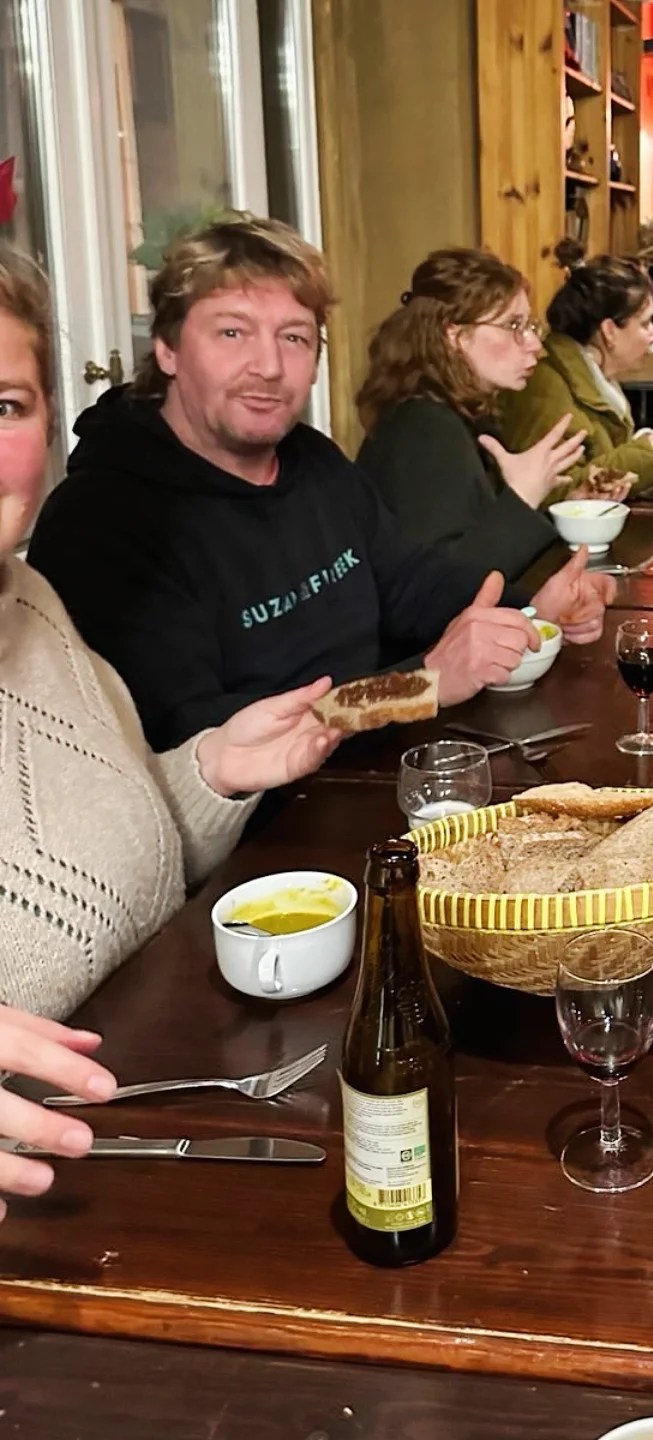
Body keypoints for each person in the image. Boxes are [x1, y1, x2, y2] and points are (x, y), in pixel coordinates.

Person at [0, 249, 344, 1213]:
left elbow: (122, 857)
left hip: (160, 1133)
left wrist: (215, 771)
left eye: (3, 408)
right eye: (232, 333)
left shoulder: (27, 604)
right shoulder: (106, 529)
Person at [26, 217, 612, 753]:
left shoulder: (313, 462)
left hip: (370, 770)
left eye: (295, 337)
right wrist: (418, 686)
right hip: (258, 845)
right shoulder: (100, 524)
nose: (269, 366)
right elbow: (201, 740)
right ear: (168, 349)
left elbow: (411, 583)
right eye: (233, 333)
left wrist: (531, 611)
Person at [355, 248, 586, 582]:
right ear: (455, 336)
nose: (536, 344)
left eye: (530, 325)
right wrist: (523, 495)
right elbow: (440, 589)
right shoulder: (424, 429)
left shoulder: (459, 412)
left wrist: (548, 508)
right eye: (513, 325)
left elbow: (476, 535)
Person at [499, 244, 653, 496]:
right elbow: (555, 490)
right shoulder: (545, 384)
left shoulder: (595, 377)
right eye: (645, 324)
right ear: (609, 331)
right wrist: (649, 456)